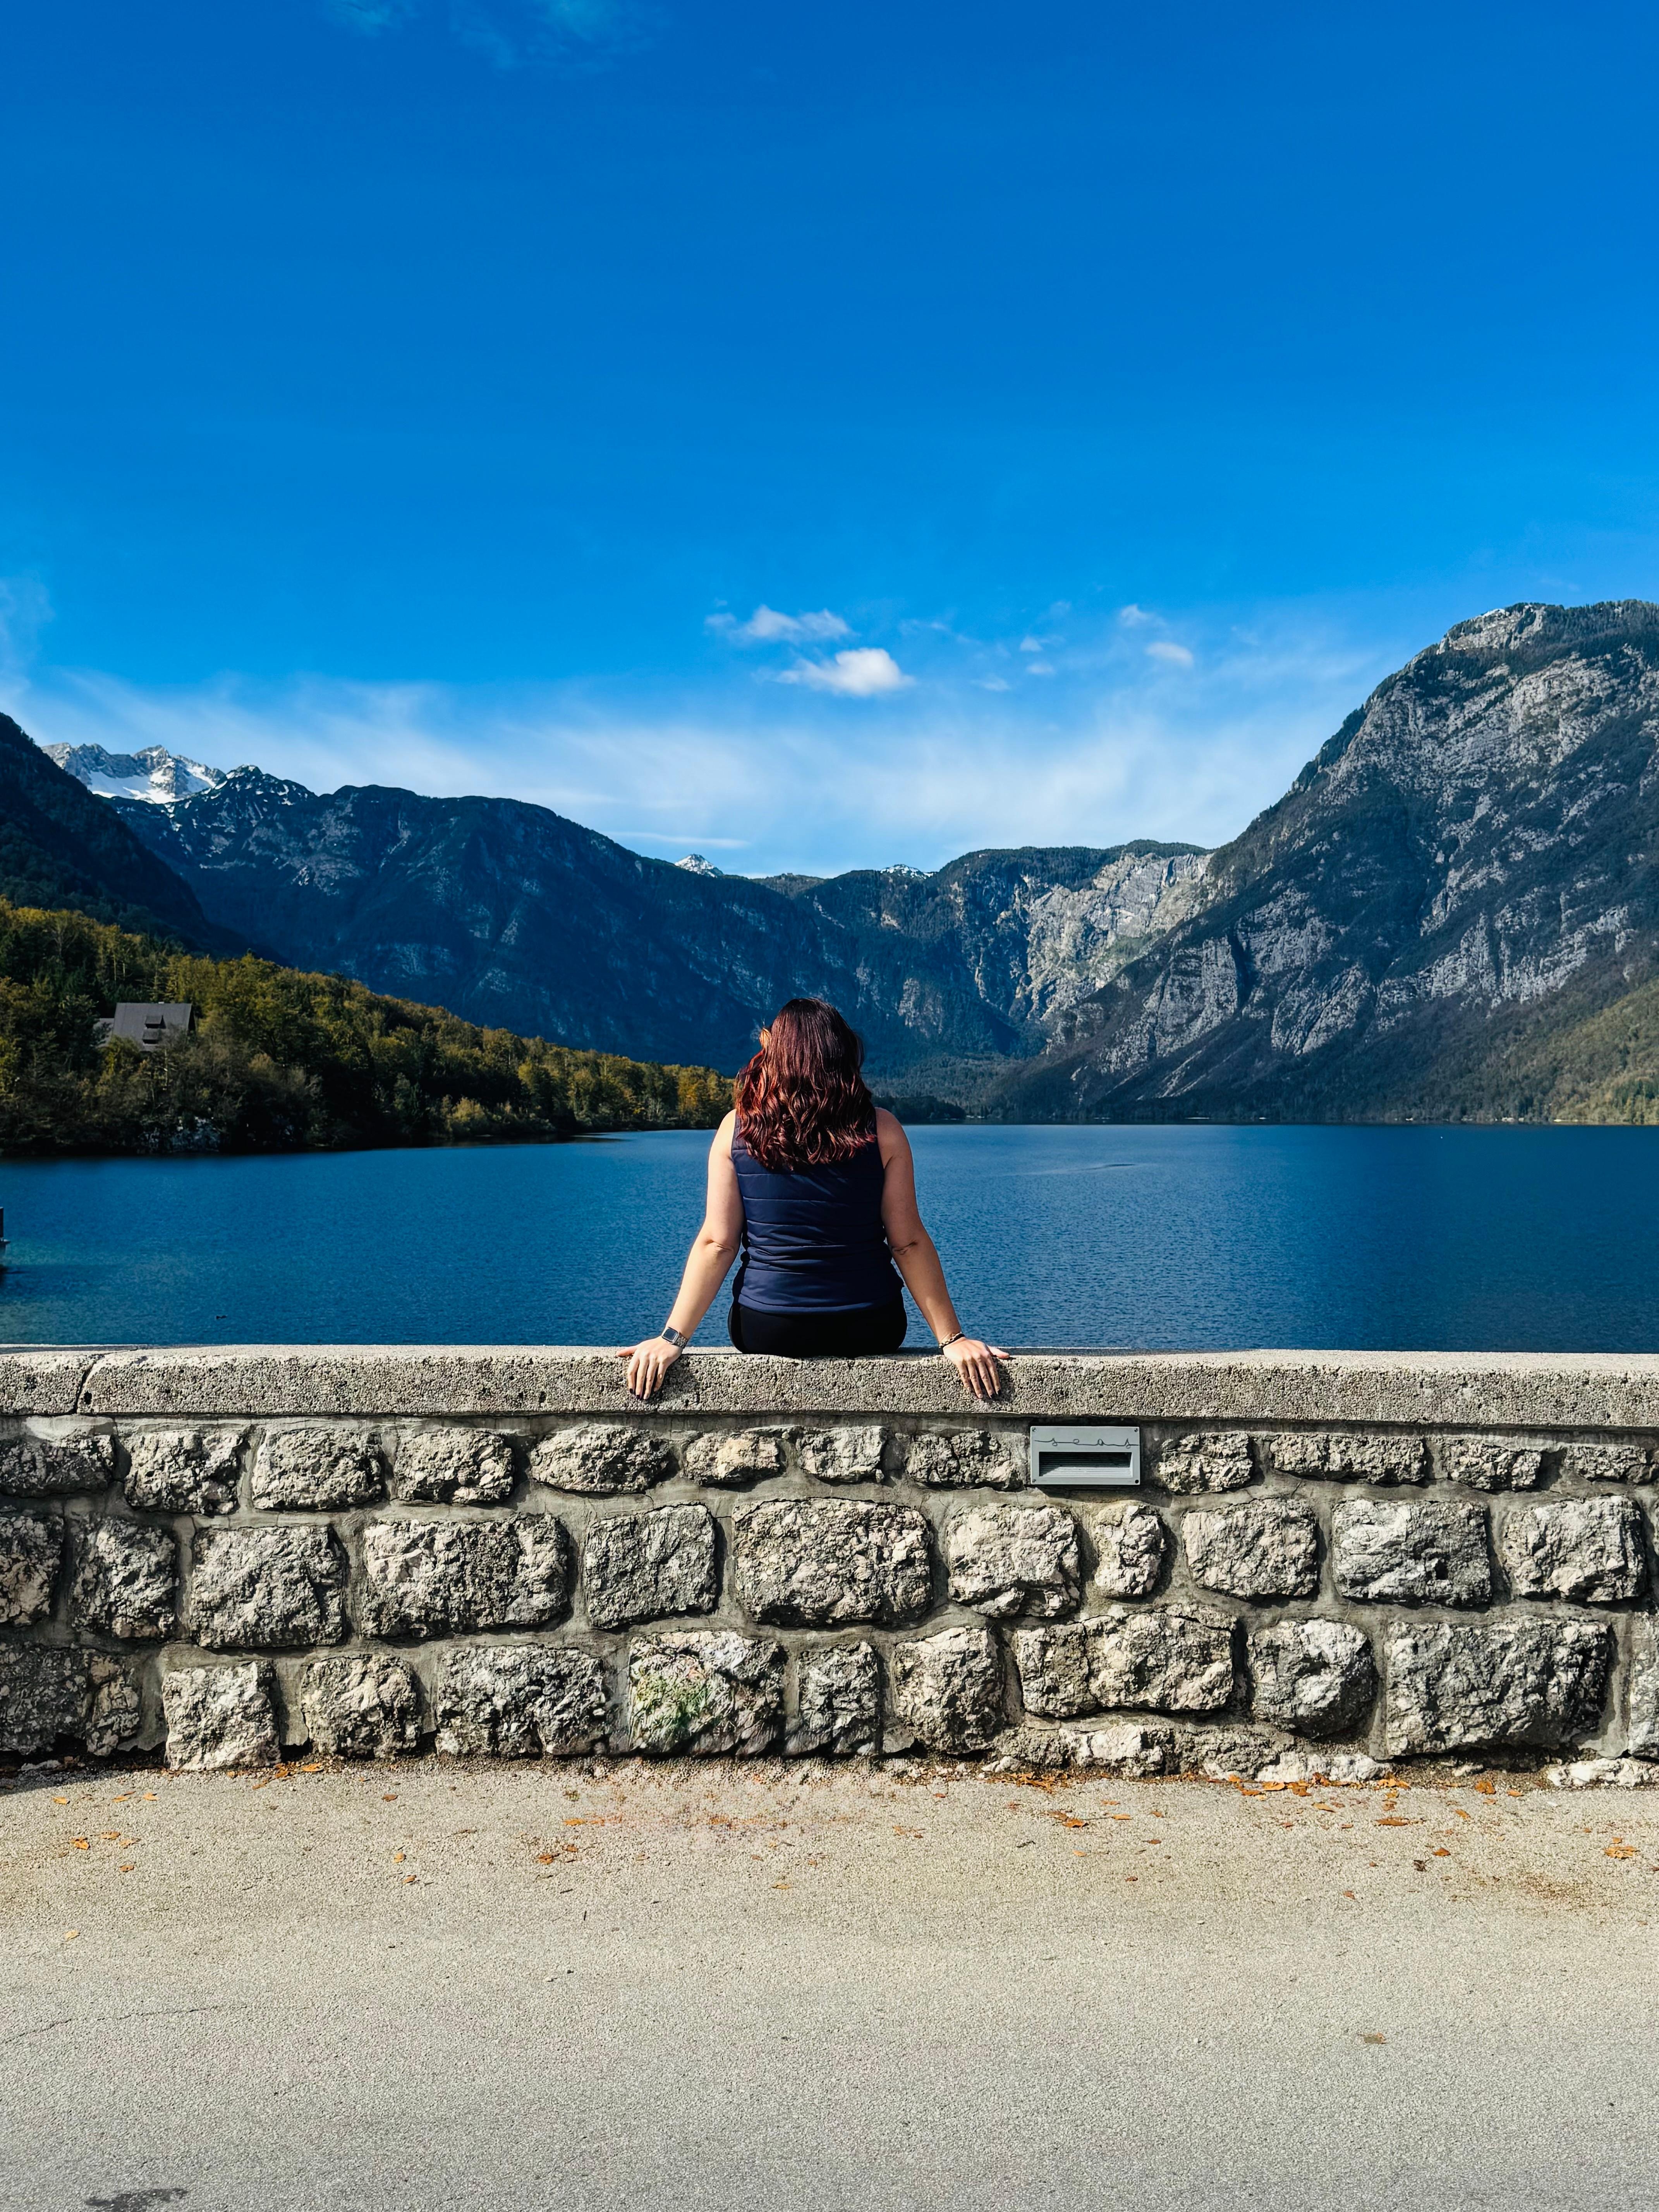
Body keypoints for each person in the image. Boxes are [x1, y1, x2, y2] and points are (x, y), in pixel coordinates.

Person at [620, 997, 1007, 1401]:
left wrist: (672, 1338)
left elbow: (718, 1243)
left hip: (767, 1327)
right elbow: (907, 1243)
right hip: (871, 1326)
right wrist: (953, 1339)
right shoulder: (883, 1129)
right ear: (842, 1054)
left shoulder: (737, 1129)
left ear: (776, 1054)